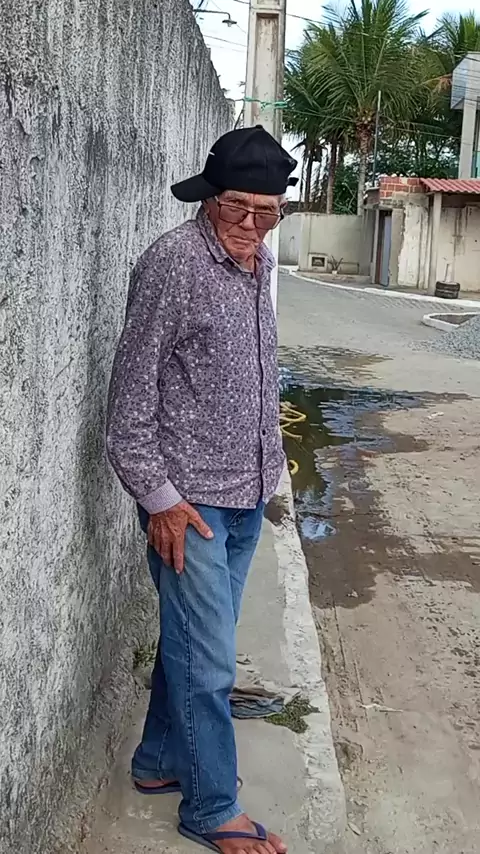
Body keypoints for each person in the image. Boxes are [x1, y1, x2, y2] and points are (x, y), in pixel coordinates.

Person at [106, 125, 297, 854]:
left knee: (192, 645)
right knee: (211, 664)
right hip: (189, 505)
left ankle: (158, 761)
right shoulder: (175, 262)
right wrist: (158, 500)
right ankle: (212, 807)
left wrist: (269, 469)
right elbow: (129, 401)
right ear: (209, 200)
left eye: (267, 212)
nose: (251, 225)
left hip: (247, 495)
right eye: (237, 208)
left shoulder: (259, 261)